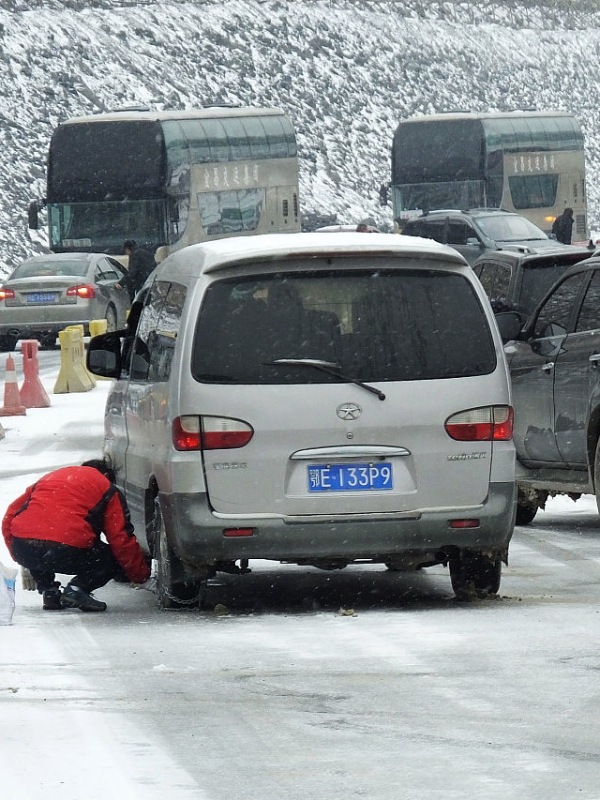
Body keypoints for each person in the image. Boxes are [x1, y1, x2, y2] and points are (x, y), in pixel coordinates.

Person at [1, 459, 150, 612]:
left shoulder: (51, 478)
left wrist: (18, 552)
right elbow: (121, 539)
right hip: (66, 549)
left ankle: (49, 591)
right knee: (113, 557)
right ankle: (77, 589)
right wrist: (140, 576)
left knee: (38, 538)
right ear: (106, 475)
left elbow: (9, 517)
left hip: (24, 546)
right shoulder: (106, 487)